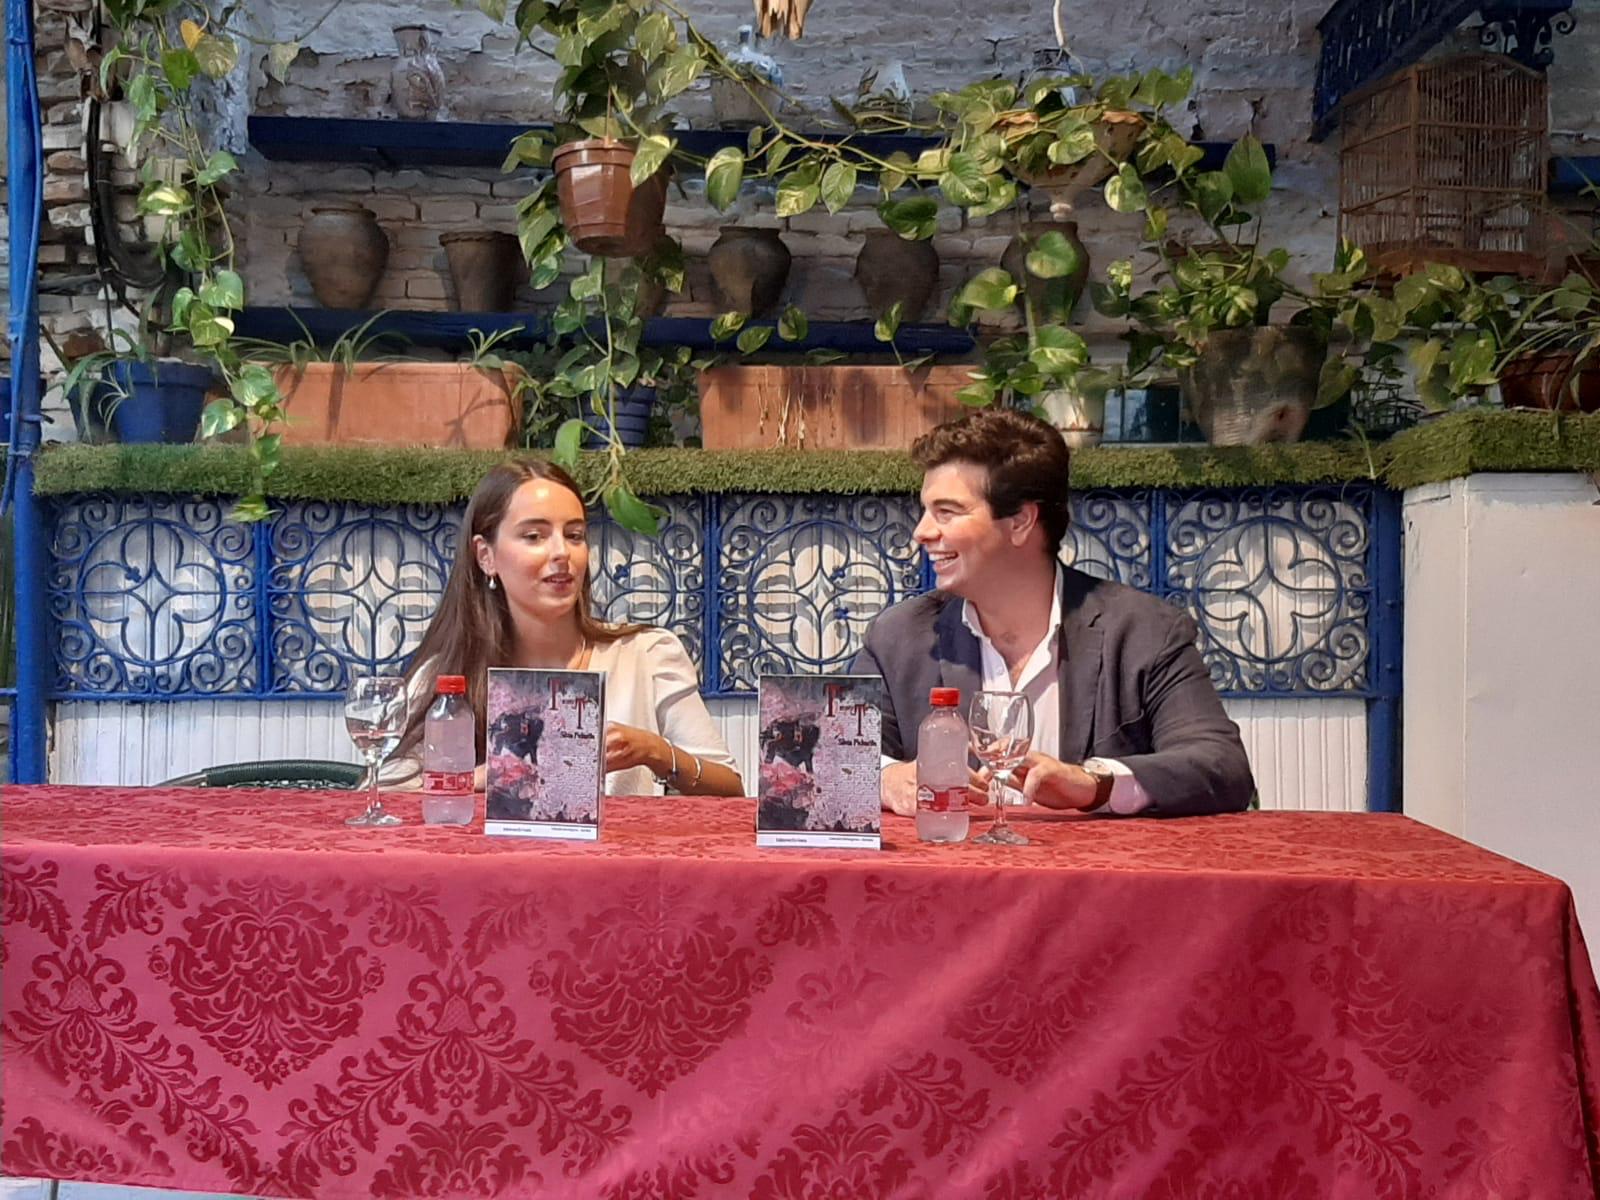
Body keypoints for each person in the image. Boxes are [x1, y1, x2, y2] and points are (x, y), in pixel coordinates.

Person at [851, 408, 1254, 817]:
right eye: (925, 511)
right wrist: (886, 779)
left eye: (947, 512)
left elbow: (1221, 765)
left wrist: (1096, 784)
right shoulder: (898, 637)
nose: (922, 531)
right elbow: (831, 757)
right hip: (948, 877)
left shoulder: (1144, 631)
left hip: (1093, 878)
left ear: (1021, 521)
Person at [387, 461, 743, 797]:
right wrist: (485, 778)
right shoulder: (446, 673)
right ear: (486, 556)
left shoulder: (646, 654)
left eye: (574, 535)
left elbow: (732, 790)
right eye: (534, 536)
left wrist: (657, 752)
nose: (562, 552)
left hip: (612, 862)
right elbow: (380, 801)